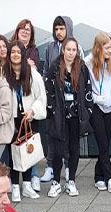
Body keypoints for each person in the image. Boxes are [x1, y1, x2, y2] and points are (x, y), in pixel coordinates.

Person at [44, 40, 89, 198]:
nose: (71, 52)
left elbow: (87, 89)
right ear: (63, 50)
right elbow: (48, 89)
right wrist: (51, 110)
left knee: (74, 149)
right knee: (58, 150)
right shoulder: (55, 67)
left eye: (73, 49)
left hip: (76, 115)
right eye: (68, 49)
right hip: (59, 115)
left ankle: (71, 181)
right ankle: (56, 182)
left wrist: (87, 111)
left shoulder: (82, 67)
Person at [3, 43, 46, 202]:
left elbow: (41, 97)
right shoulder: (3, 73)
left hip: (28, 118)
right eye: (12, 52)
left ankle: (27, 184)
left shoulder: (33, 74)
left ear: (23, 54)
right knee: (13, 152)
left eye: (18, 52)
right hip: (11, 119)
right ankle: (15, 185)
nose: (15, 55)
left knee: (28, 150)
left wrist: (33, 111)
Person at [86, 34, 111, 194]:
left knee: (105, 142)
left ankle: (98, 175)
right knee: (102, 142)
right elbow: (86, 86)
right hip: (96, 106)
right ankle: (110, 177)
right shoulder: (88, 62)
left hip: (110, 106)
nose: (110, 51)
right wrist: (97, 98)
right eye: (107, 48)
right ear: (98, 47)